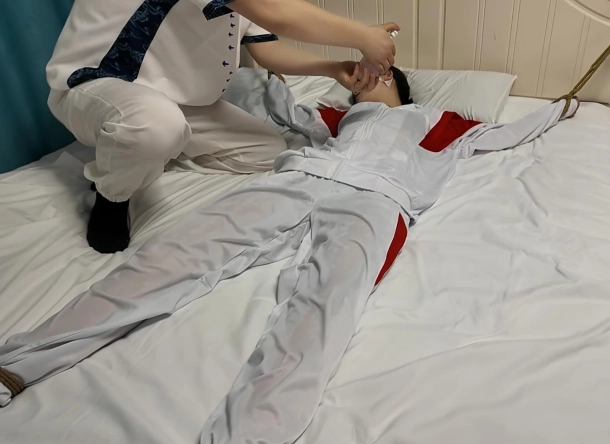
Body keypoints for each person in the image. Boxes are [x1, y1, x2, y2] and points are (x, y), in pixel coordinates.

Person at [0, 67, 578, 444]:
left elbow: (505, 135)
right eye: (358, 74)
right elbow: (271, 102)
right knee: (172, 257)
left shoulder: (442, 123)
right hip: (299, 179)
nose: (364, 76)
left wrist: (564, 107)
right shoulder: (338, 117)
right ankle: (19, 364)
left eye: (374, 72)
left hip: (377, 203)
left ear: (397, 84)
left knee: (323, 311)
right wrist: (253, 66)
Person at [45, 0, 399, 254]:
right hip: (97, 83)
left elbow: (267, 48)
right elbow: (278, 13)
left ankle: (148, 148)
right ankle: (111, 194)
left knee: (269, 151)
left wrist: (334, 68)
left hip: (170, 99)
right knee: (154, 125)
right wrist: (362, 36)